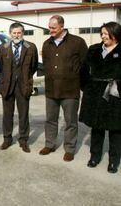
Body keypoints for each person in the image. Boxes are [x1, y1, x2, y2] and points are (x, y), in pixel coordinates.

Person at [39, 15, 88, 162]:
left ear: (62, 26)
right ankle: (49, 144)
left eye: (53, 28)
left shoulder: (77, 42)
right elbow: (46, 65)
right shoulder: (47, 44)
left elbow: (85, 65)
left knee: (71, 122)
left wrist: (82, 85)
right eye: (49, 27)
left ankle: (70, 149)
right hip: (51, 90)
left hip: (70, 90)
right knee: (50, 120)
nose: (51, 30)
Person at [79, 22, 121, 173]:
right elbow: (83, 70)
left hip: (116, 95)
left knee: (116, 130)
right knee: (97, 127)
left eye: (106, 33)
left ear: (115, 34)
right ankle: (95, 156)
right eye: (101, 33)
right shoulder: (94, 49)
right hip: (96, 94)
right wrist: (87, 87)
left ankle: (114, 161)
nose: (103, 36)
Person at [0, 23, 38, 153]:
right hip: (7, 86)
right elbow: (1, 66)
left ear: (23, 33)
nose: (16, 35)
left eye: (19, 33)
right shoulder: (3, 48)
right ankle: (7, 139)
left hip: (23, 86)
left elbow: (34, 66)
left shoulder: (31, 47)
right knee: (7, 115)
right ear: (10, 34)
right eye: (14, 33)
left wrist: (26, 79)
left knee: (23, 115)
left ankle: (23, 140)